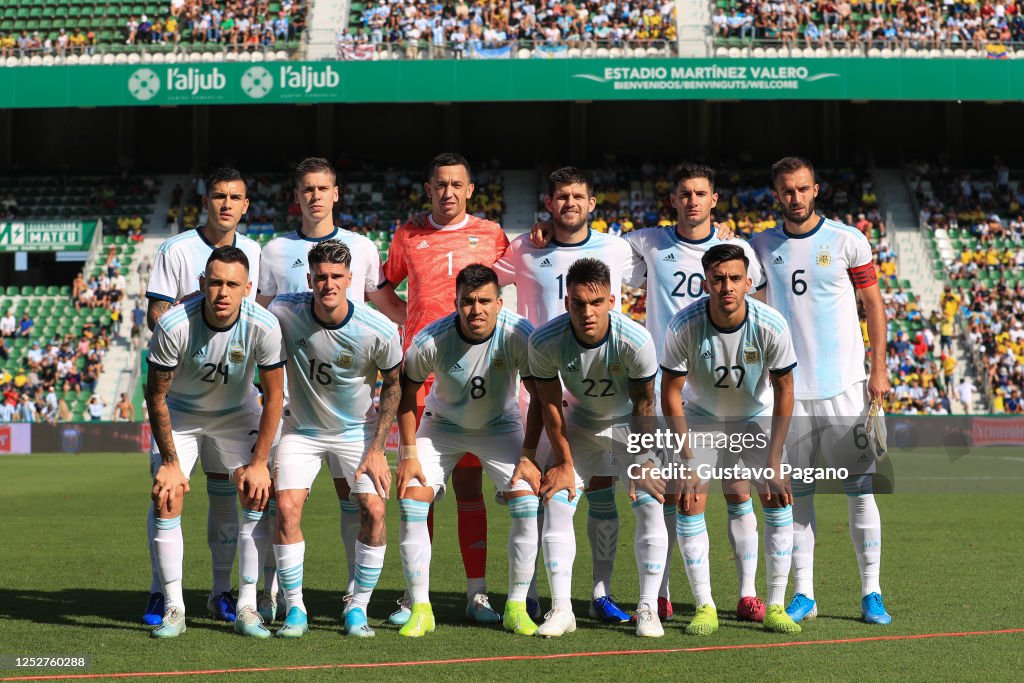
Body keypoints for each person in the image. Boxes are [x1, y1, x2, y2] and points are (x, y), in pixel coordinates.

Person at [255, 157, 406, 622]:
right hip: (298, 422)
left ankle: (355, 601)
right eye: (307, 188)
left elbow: (386, 309)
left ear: (336, 193)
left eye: (324, 188)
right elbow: (256, 315)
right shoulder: (276, 256)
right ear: (296, 195)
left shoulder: (362, 250)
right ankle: (284, 602)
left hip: (355, 423)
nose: (316, 195)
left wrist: (433, 327)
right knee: (283, 506)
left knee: (367, 507)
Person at [494, 166, 641, 624]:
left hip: (599, 394)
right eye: (561, 196)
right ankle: (531, 593)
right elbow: (481, 287)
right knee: (538, 493)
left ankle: (600, 593)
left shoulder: (616, 248)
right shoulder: (523, 248)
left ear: (592, 203)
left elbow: (668, 268)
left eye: (578, 195)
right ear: (548, 202)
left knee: (601, 491)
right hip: (538, 393)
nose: (569, 203)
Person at [750, 156, 892, 625]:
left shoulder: (848, 240)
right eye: (787, 190)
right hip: (790, 392)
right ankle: (804, 593)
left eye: (803, 189)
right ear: (776, 194)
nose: (795, 197)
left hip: (846, 386)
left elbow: (873, 305)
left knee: (859, 490)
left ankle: (871, 592)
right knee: (798, 495)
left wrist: (879, 369)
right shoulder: (760, 246)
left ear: (817, 190)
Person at [624, 162, 768, 623]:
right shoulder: (647, 243)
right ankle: (662, 591)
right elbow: (603, 250)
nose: (691, 200)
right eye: (684, 193)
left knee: (738, 489)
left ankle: (747, 593)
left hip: (727, 388)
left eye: (700, 193)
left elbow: (758, 304)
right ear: (673, 200)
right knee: (670, 493)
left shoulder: (736, 249)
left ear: (713, 200)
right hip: (672, 386)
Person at [377, 153, 510, 625]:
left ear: (470, 189)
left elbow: (517, 279)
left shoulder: (493, 236)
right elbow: (381, 290)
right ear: (428, 189)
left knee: (471, 485)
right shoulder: (407, 235)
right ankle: (419, 597)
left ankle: (478, 595)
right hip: (420, 374)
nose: (449, 192)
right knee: (419, 487)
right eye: (440, 185)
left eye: (457, 184)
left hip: (472, 377)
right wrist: (410, 322)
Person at [143, 168, 264, 627]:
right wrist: (191, 328)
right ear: (206, 201)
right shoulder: (176, 249)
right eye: (218, 196)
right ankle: (162, 593)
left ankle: (221, 592)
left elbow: (257, 312)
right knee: (165, 492)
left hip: (233, 399)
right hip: (182, 398)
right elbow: (156, 309)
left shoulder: (252, 251)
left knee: (226, 496)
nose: (227, 204)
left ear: (246, 204)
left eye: (236, 196)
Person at [395, 264, 543, 637]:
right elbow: (405, 392)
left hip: (500, 427)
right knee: (413, 499)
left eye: (483, 301)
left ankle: (515, 606)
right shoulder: (432, 339)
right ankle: (420, 607)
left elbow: (540, 397)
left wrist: (527, 455)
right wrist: (410, 453)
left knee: (527, 502)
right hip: (442, 427)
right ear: (456, 302)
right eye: (467, 301)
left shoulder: (518, 334)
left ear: (498, 302)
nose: (475, 309)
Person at [661, 243, 801, 636]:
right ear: (705, 282)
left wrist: (774, 459)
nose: (727, 286)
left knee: (775, 493)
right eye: (719, 279)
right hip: (702, 416)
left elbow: (785, 389)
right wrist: (687, 459)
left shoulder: (770, 324)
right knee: (690, 499)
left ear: (748, 281)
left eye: (735, 278)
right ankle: (704, 605)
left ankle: (769, 603)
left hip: (754, 415)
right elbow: (670, 392)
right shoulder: (683, 324)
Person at [146, 246, 285, 638]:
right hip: (182, 414)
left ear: (248, 288)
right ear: (203, 284)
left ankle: (245, 605)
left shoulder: (264, 325)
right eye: (217, 283)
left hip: (236, 412)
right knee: (167, 493)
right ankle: (174, 607)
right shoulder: (173, 325)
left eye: (233, 285)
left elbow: (274, 396)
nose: (223, 292)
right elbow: (156, 396)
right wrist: (171, 463)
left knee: (255, 491)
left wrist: (259, 462)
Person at [528, 258, 667, 638]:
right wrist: (563, 462)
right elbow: (550, 406)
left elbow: (644, 405)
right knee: (557, 499)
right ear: (567, 302)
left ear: (611, 300)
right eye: (577, 303)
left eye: (595, 302)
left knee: (650, 501)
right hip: (580, 425)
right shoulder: (544, 340)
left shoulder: (635, 340)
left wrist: (643, 461)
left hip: (629, 426)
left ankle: (647, 609)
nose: (586, 312)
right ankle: (561, 610)